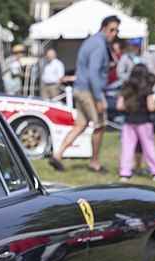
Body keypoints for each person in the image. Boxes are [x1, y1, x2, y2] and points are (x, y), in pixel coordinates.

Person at [48, 15, 119, 173]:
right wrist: (99, 98)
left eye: (116, 30)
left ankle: (57, 155)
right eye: (112, 29)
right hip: (89, 90)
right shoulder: (99, 45)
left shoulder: (90, 41)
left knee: (80, 125)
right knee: (100, 125)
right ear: (104, 27)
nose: (114, 33)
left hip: (80, 87)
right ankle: (94, 162)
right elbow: (93, 72)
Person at [117, 63, 155, 181]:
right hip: (144, 122)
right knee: (149, 147)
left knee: (127, 148)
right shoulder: (147, 89)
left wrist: (129, 107)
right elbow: (151, 107)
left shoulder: (126, 88)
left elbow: (119, 106)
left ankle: (125, 172)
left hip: (129, 122)